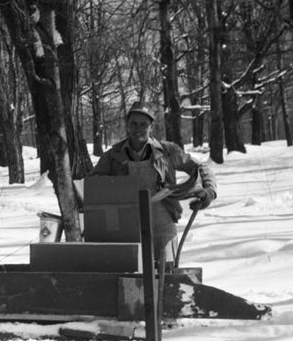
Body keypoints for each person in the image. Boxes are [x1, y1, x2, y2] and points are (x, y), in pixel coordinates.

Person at [87, 101, 217, 264]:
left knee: (167, 277)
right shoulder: (114, 155)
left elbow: (200, 166)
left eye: (143, 124)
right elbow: (92, 183)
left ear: (151, 127)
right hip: (127, 230)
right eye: (133, 124)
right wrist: (114, 188)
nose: (138, 129)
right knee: (133, 278)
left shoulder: (167, 151)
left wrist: (209, 191)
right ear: (127, 125)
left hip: (163, 228)